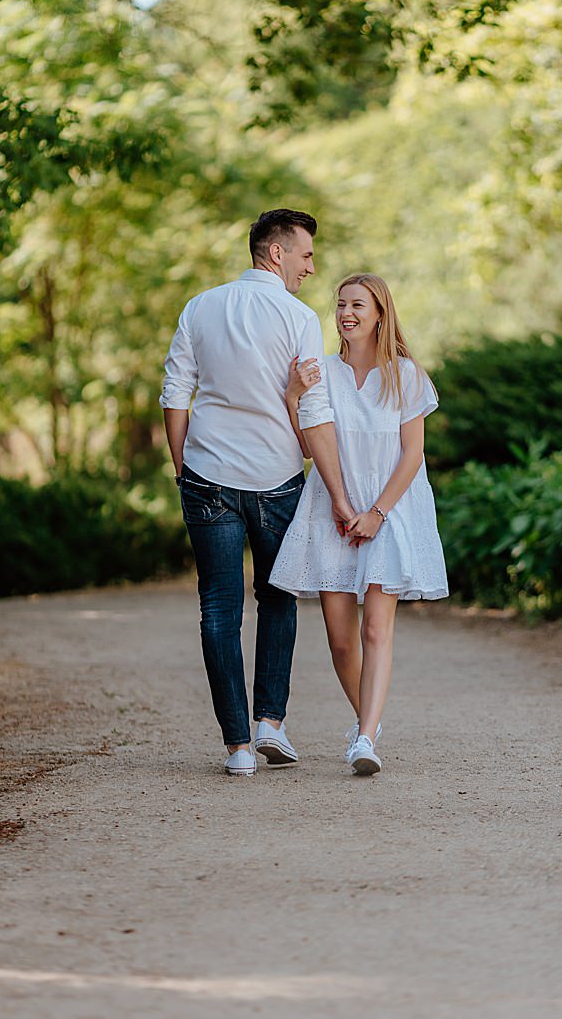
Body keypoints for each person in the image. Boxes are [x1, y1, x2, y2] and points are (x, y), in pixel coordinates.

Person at [160, 209, 353, 777]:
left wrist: (182, 468)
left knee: (218, 608)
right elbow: (313, 408)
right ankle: (271, 722)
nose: (310, 269)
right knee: (278, 597)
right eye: (306, 255)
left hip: (207, 474)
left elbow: (176, 393)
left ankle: (238, 747)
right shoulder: (297, 316)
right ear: (276, 253)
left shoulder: (200, 306)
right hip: (276, 479)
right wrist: (338, 492)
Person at [270, 272, 448, 775]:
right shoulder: (320, 373)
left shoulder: (406, 375)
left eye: (357, 305)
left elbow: (412, 456)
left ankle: (365, 738)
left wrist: (376, 514)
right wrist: (292, 396)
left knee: (375, 628)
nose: (346, 313)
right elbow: (307, 448)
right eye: (341, 304)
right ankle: (365, 723)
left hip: (388, 510)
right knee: (341, 640)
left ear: (379, 314)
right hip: (332, 509)